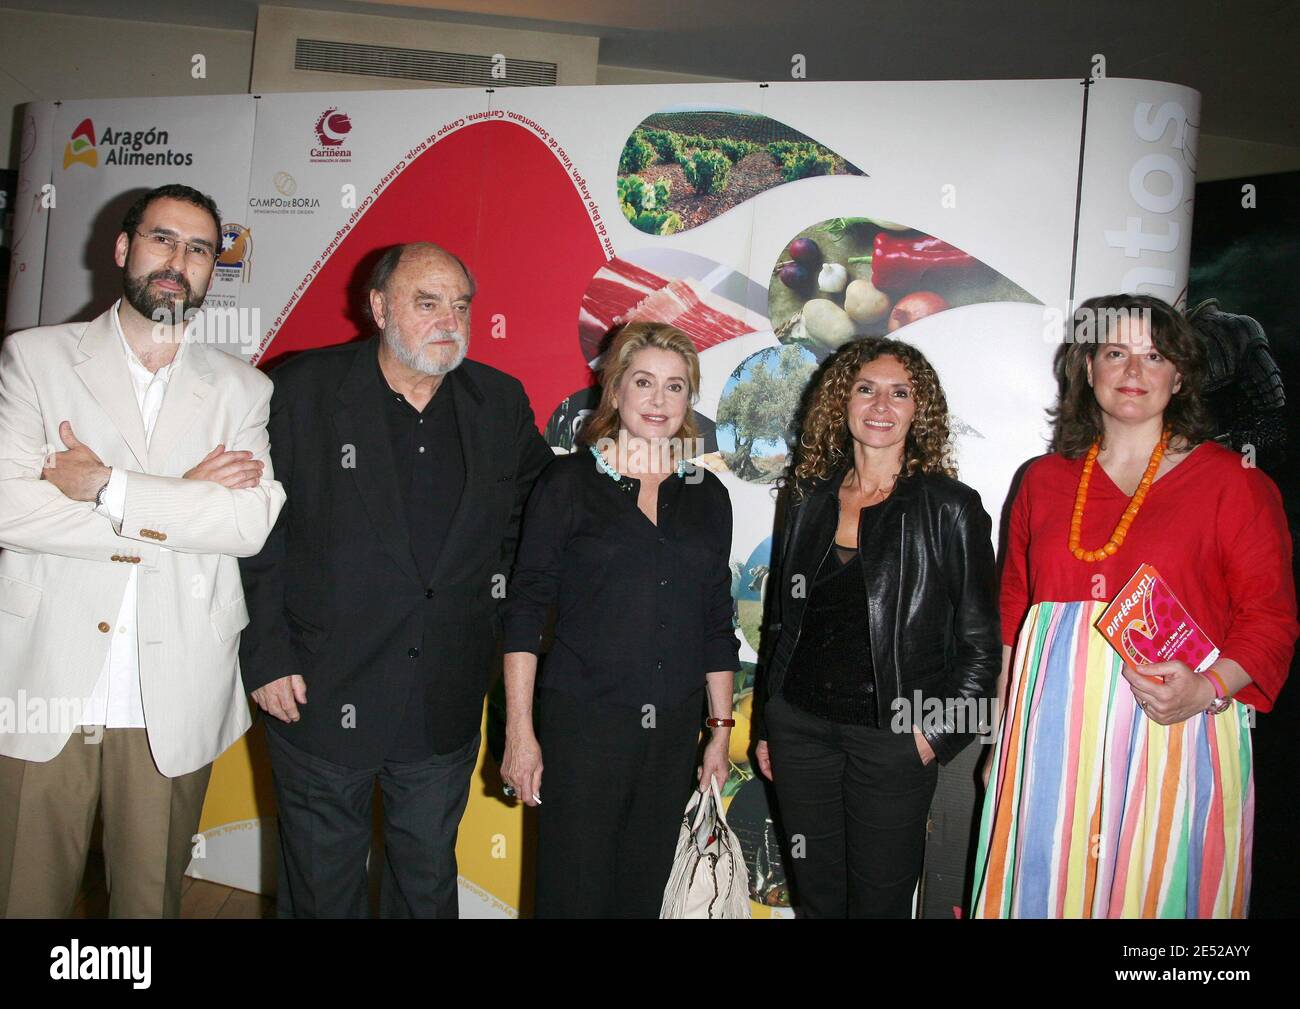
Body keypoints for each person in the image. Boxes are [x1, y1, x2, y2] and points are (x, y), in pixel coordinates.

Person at [237, 242, 553, 918]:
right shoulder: (301, 389)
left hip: (442, 696)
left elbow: (540, 514)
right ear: (378, 307)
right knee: (322, 892)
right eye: (427, 301)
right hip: (317, 691)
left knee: (426, 886)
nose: (450, 319)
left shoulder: (497, 402)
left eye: (461, 305)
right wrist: (266, 653)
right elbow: (257, 533)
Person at [0, 183, 285, 917]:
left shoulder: (243, 390)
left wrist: (107, 486)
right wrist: (183, 496)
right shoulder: (35, 360)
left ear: (211, 273)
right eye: (163, 239)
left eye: (198, 249)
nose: (178, 260)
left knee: (147, 908)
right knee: (24, 898)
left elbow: (246, 525)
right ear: (124, 249)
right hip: (44, 682)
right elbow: (12, 509)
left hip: (172, 693)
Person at [972, 294, 1298, 918]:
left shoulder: (1234, 483)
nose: (1133, 371)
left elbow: (1272, 620)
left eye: (1155, 356)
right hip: (1048, 742)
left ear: (1180, 376)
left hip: (1175, 729)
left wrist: (1206, 690)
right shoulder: (1040, 480)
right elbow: (1015, 616)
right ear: (1086, 367)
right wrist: (999, 741)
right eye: (1115, 352)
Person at [751, 337, 1000, 918]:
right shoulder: (809, 496)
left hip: (894, 740)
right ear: (843, 401)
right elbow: (782, 624)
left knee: (880, 905)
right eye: (866, 389)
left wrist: (933, 737)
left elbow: (981, 649)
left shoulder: (950, 508)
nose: (881, 404)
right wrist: (769, 721)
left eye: (900, 392)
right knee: (815, 898)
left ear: (920, 410)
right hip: (801, 732)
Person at [500, 322, 740, 918]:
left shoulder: (707, 494)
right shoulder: (566, 484)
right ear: (615, 391)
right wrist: (520, 732)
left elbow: (716, 621)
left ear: (690, 399)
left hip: (672, 733)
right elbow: (525, 610)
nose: (659, 401)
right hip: (582, 725)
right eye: (643, 382)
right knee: (573, 893)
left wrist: (720, 731)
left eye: (675, 386)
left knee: (642, 892)